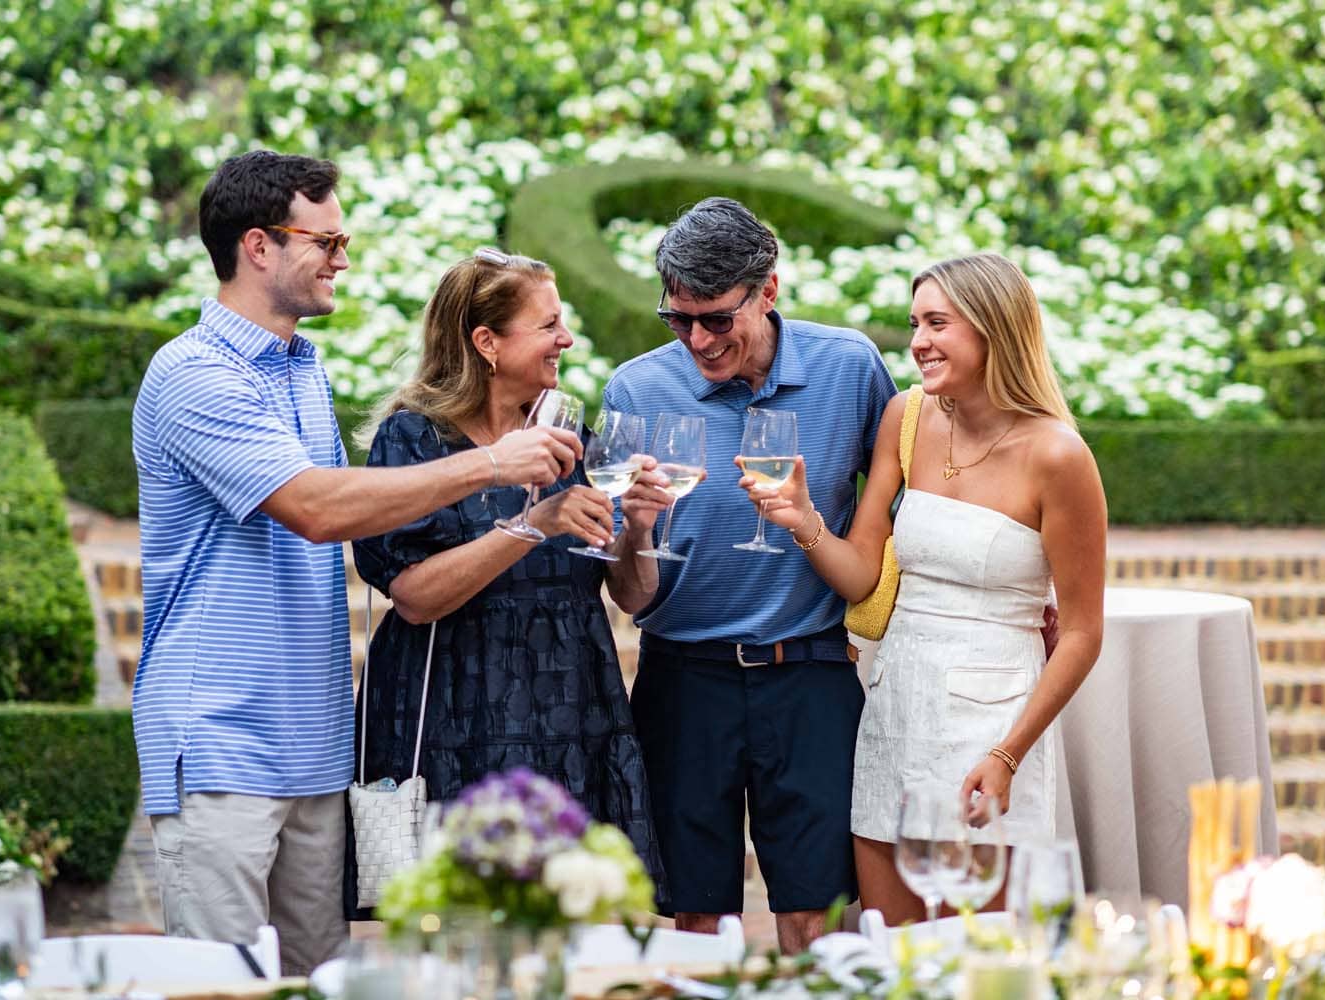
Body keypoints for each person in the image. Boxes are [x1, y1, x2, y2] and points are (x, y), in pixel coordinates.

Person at [131, 152, 580, 974]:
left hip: (317, 744)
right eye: (326, 241)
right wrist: (491, 465)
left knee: (323, 980)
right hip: (222, 740)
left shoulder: (305, 370)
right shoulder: (193, 372)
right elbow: (316, 509)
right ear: (258, 246)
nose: (342, 258)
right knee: (222, 985)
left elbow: (363, 507)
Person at [742, 252, 1107, 925]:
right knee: (892, 950)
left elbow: (1083, 633)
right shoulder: (906, 416)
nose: (918, 342)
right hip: (894, 710)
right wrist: (804, 522)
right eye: (915, 324)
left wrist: (1007, 755)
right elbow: (863, 575)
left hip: (992, 725)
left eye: (938, 323)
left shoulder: (1058, 456)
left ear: (994, 327)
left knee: (977, 955)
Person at [601, 197, 899, 953]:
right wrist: (635, 531)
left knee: (818, 916)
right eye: (678, 320)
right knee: (697, 922)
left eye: (716, 319)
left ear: (768, 289)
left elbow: (909, 505)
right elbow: (628, 594)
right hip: (681, 680)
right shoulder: (634, 392)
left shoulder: (850, 368)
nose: (698, 341)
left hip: (810, 674)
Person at [349, 248, 668, 908]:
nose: (567, 339)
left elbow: (633, 595)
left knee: (573, 921)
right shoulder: (414, 441)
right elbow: (414, 597)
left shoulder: (569, 435)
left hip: (570, 712)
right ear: (486, 342)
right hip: (454, 713)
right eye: (548, 325)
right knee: (456, 925)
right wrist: (534, 524)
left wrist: (638, 529)